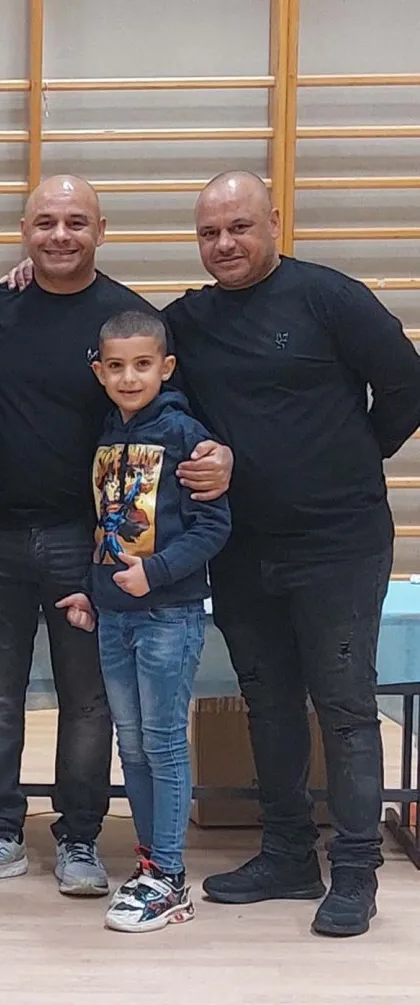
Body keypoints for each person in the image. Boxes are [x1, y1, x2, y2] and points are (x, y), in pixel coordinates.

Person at [0, 176, 232, 896]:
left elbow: (174, 417)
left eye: (77, 221)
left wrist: (218, 456)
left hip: (90, 543)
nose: (60, 234)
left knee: (89, 702)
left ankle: (79, 835)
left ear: (101, 230)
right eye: (45, 221)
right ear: (24, 230)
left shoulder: (128, 322)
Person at [162, 171, 420, 937]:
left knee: (345, 706)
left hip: (339, 543)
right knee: (268, 701)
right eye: (209, 233)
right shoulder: (189, 321)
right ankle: (286, 854)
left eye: (239, 227)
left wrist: (351, 456)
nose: (224, 244)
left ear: (274, 221)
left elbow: (407, 387)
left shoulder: (329, 297)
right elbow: (116, 341)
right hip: (242, 545)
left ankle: (356, 871)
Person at [58, 310, 230, 933]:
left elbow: (214, 526)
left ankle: (172, 877)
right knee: (130, 743)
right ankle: (151, 863)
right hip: (113, 616)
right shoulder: (107, 435)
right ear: (99, 372)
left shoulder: (186, 435)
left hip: (167, 615)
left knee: (162, 742)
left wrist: (154, 573)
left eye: (142, 365)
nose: (129, 377)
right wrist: (90, 590)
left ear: (166, 367)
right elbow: (105, 524)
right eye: (116, 366)